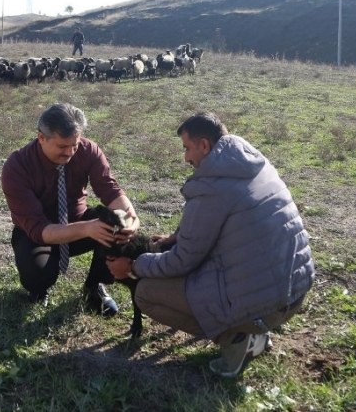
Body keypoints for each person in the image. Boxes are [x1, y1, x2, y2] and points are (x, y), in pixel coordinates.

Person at [108, 112, 314, 377]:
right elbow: (224, 224)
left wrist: (134, 266)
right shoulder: (253, 165)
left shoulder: (211, 187)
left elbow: (183, 260)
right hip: (294, 291)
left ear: (204, 145)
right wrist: (176, 236)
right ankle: (255, 333)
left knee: (145, 293)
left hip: (266, 305)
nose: (186, 158)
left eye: (187, 148)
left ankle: (236, 339)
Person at [2, 102, 139, 315]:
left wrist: (131, 217)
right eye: (62, 147)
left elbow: (110, 191)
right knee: (38, 275)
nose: (70, 152)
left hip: (78, 221)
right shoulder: (17, 166)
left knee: (116, 226)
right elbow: (38, 228)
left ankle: (95, 286)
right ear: (41, 138)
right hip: (37, 234)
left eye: (74, 144)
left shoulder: (88, 150)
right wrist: (87, 229)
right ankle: (39, 289)